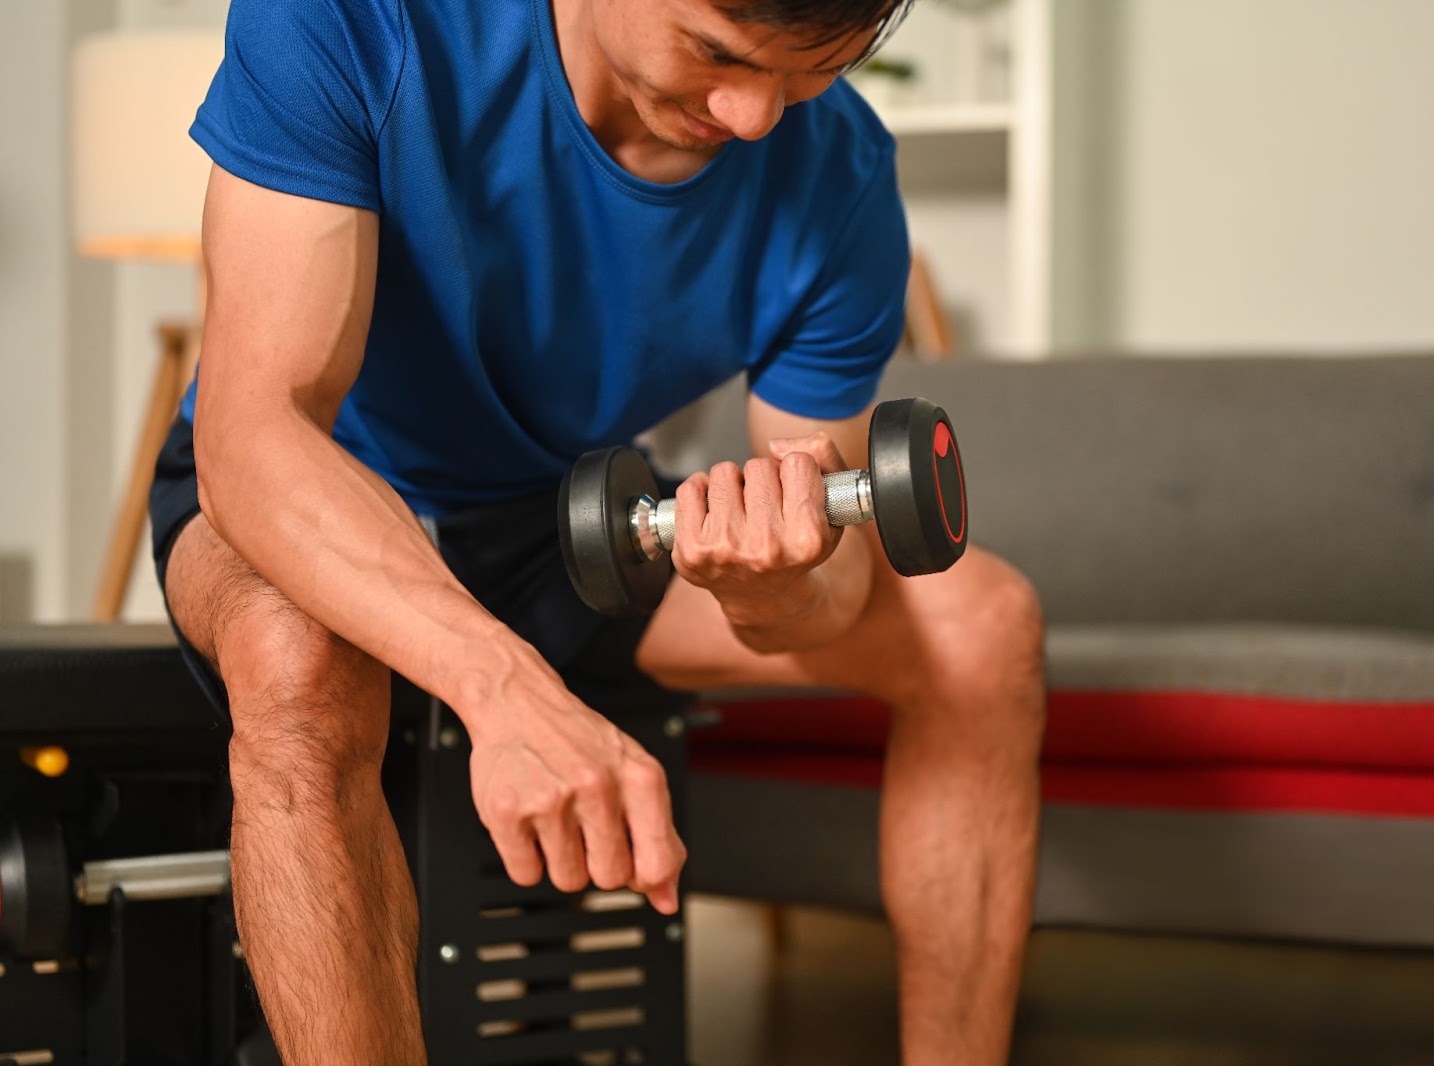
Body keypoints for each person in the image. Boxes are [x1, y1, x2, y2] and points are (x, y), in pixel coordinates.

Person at [149, 0, 1045, 1061]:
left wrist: (768, 585)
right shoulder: (352, 21)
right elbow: (258, 436)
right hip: (321, 487)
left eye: (811, 73)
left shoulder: (841, 176)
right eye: (716, 54)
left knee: (980, 624)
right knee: (294, 659)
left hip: (563, 514)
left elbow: (834, 582)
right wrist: (504, 685)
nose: (756, 117)